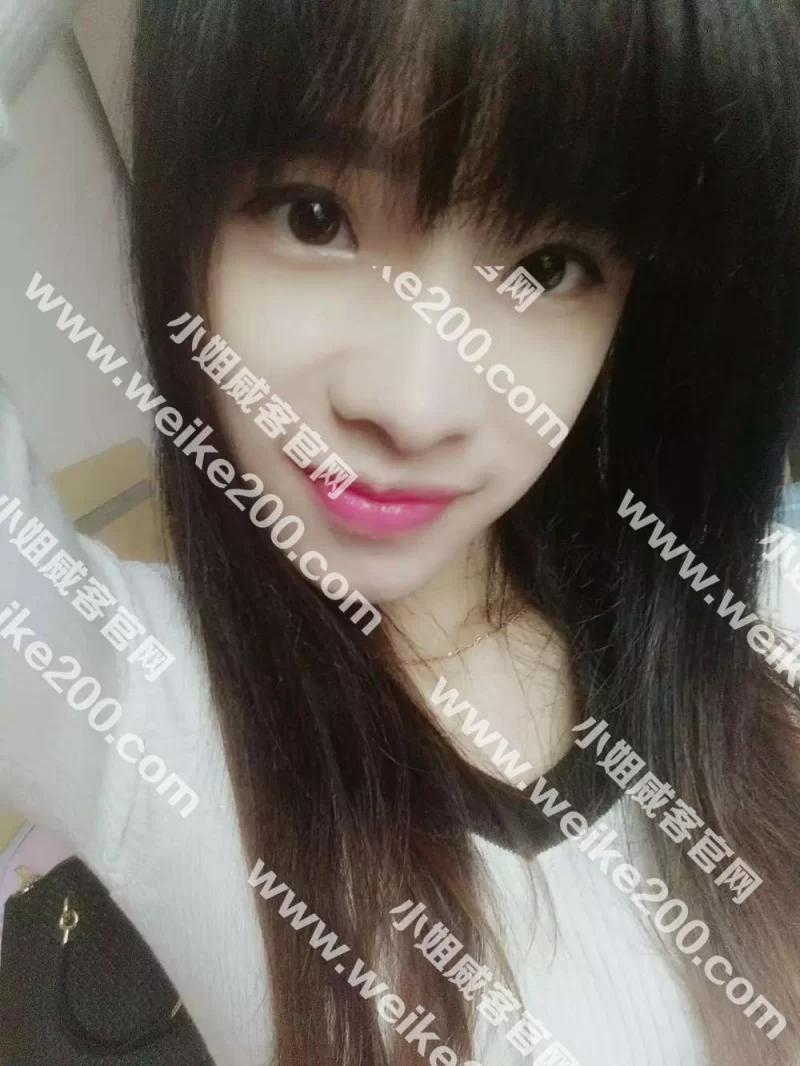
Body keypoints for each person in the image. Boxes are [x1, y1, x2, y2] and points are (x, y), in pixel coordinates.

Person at [3, 1, 800, 1064]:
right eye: (313, 216)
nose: (416, 405)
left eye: (546, 265)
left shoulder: (766, 611)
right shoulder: (142, 711)